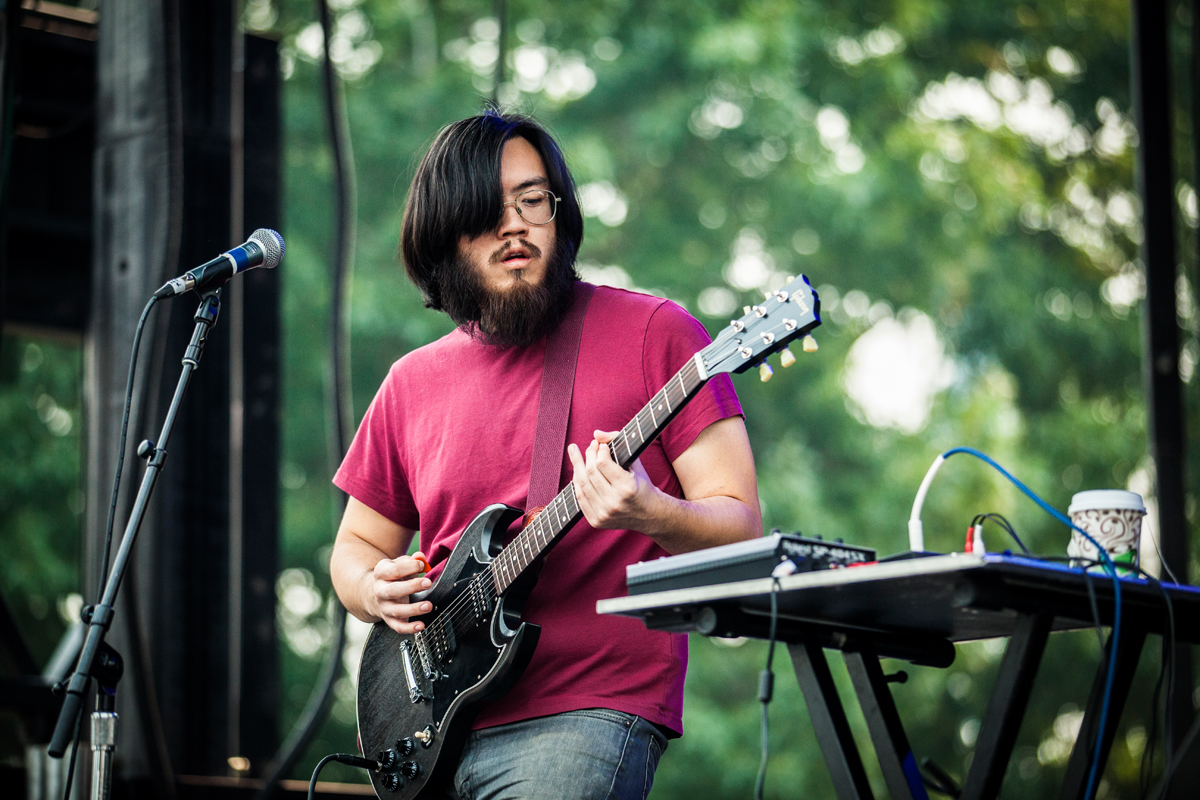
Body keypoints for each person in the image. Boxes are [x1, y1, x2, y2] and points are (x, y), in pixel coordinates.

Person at [329, 111, 761, 800]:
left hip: (586, 711)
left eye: (533, 200)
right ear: (444, 232)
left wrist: (651, 511)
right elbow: (354, 548)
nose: (516, 225)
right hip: (428, 728)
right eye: (489, 211)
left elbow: (742, 529)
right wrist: (371, 588)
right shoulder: (411, 383)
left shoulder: (656, 334)